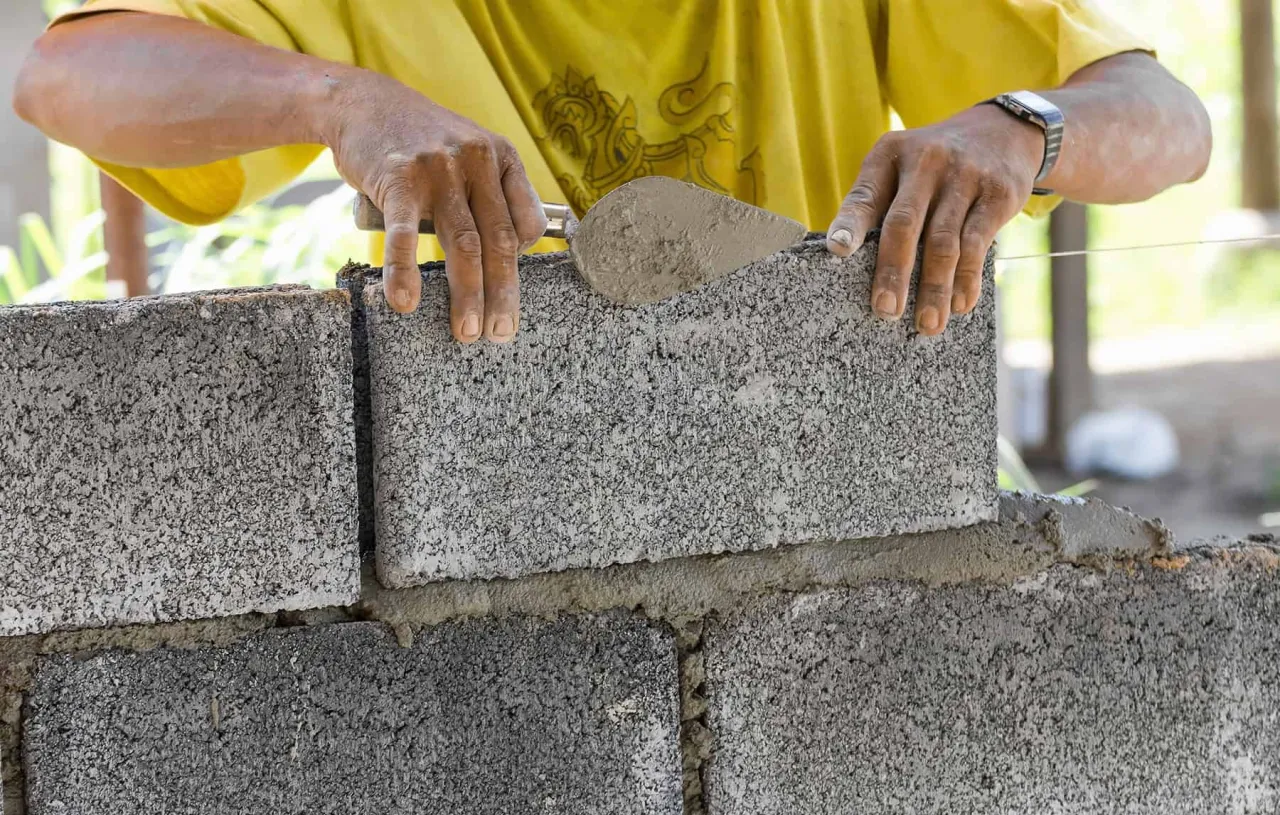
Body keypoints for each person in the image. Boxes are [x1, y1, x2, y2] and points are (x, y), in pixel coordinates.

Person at [13, 1, 1211, 344]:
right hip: (494, 495)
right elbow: (64, 75)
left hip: (822, 465)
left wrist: (1019, 125)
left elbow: (1168, 119)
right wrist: (335, 100)